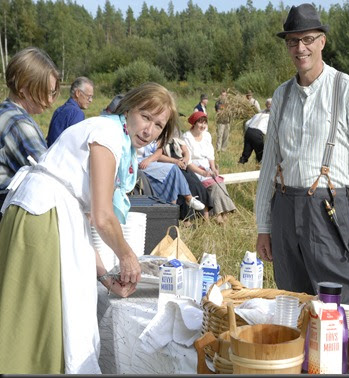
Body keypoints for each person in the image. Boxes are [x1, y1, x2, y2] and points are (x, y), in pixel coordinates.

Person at [0, 82, 178, 374]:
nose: (149, 130)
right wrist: (127, 256)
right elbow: (101, 215)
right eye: (146, 117)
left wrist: (106, 277)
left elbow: (83, 223)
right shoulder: (106, 134)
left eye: (158, 125)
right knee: (38, 321)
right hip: (42, 217)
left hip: (47, 215)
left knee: (45, 323)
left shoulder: (117, 142)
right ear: (129, 108)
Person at [255, 3, 349, 305]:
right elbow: (269, 164)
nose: (300, 48)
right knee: (291, 297)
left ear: (321, 41)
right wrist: (264, 226)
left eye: (307, 39)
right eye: (292, 41)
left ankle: (346, 353)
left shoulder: (347, 89)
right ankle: (301, 353)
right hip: (284, 207)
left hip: (327, 207)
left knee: (339, 296)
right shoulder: (282, 94)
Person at [0, 47, 60, 191]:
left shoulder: (5, 111)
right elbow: (50, 176)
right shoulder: (18, 123)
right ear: (23, 86)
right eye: (47, 91)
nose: (50, 100)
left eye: (53, 93)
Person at [183, 111, 236, 225]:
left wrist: (213, 168)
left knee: (219, 183)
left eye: (204, 123)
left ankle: (222, 214)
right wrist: (202, 172)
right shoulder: (187, 137)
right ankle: (218, 215)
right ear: (194, 123)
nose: (203, 126)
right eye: (200, 123)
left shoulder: (207, 135)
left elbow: (210, 155)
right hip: (194, 170)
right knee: (214, 186)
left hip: (207, 168)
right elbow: (188, 162)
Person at [137, 141, 206, 220]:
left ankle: (172, 214)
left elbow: (159, 150)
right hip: (138, 163)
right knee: (173, 169)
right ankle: (188, 198)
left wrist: (149, 160)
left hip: (151, 163)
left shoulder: (154, 134)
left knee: (173, 178)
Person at [161, 130, 214, 221]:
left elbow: (186, 151)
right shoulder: (159, 137)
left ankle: (205, 216)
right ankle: (187, 219)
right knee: (188, 185)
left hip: (182, 164)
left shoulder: (177, 135)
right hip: (169, 166)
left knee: (198, 184)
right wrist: (175, 162)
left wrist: (185, 159)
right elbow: (159, 156)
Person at [46, 76, 94, 146]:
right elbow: (76, 144)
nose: (90, 100)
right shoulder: (76, 113)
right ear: (78, 93)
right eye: (88, 96)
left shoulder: (59, 109)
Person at [238, 98, 271, 164]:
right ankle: (260, 165)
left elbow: (247, 123)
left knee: (246, 150)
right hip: (258, 133)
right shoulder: (270, 117)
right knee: (260, 152)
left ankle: (241, 162)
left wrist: (246, 132)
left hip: (249, 131)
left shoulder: (258, 114)